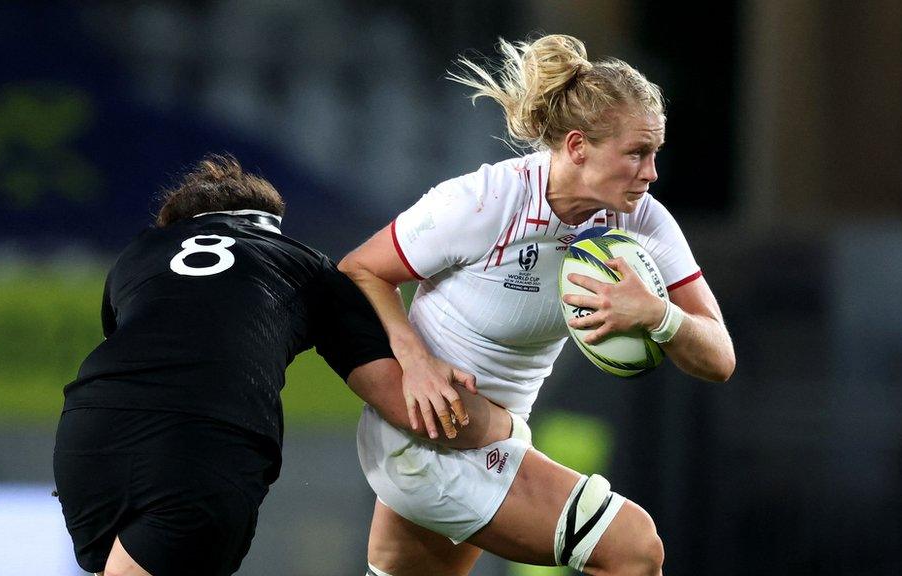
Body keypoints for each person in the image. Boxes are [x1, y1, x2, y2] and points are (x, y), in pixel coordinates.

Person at [339, 34, 736, 575]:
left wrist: (659, 316)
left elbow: (719, 357)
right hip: (431, 437)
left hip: (483, 435)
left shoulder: (640, 219)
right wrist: (415, 360)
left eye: (655, 154)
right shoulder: (486, 201)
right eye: (637, 154)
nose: (651, 172)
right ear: (577, 147)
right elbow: (358, 269)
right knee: (634, 550)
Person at [52, 154, 520, 576]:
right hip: (201, 445)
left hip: (86, 440)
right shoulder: (309, 267)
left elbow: (135, 349)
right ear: (270, 224)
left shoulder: (137, 254)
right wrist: (507, 424)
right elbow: (409, 406)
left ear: (177, 223)